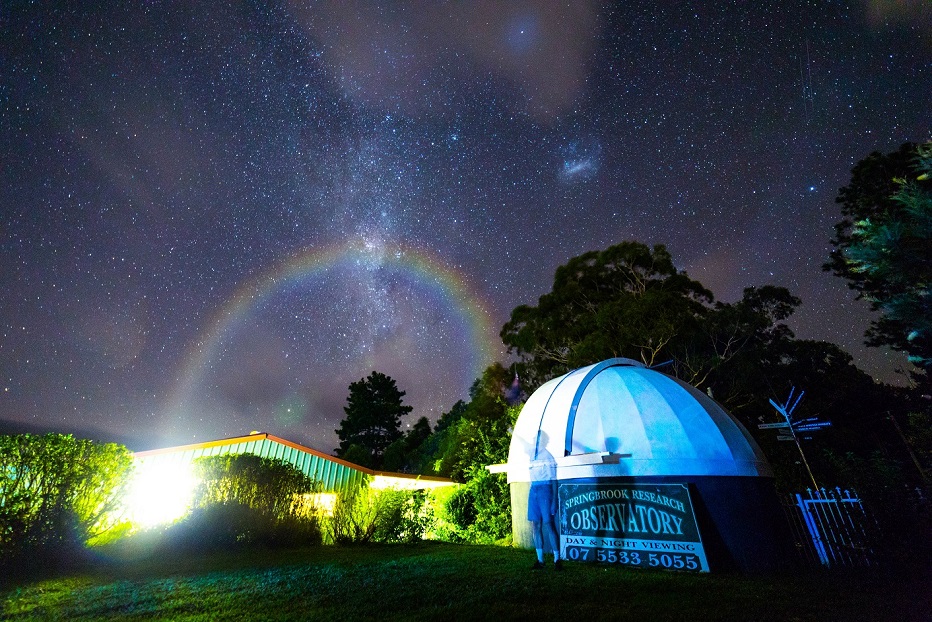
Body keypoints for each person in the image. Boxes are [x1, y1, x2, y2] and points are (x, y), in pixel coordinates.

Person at [528, 430, 561, 570]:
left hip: (545, 489)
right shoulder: (532, 454)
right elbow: (523, 444)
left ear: (543, 441)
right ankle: (540, 560)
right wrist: (512, 432)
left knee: (549, 523)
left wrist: (554, 500)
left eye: (537, 439)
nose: (534, 441)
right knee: (535, 524)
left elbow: (554, 479)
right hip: (534, 489)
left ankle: (557, 559)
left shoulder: (548, 456)